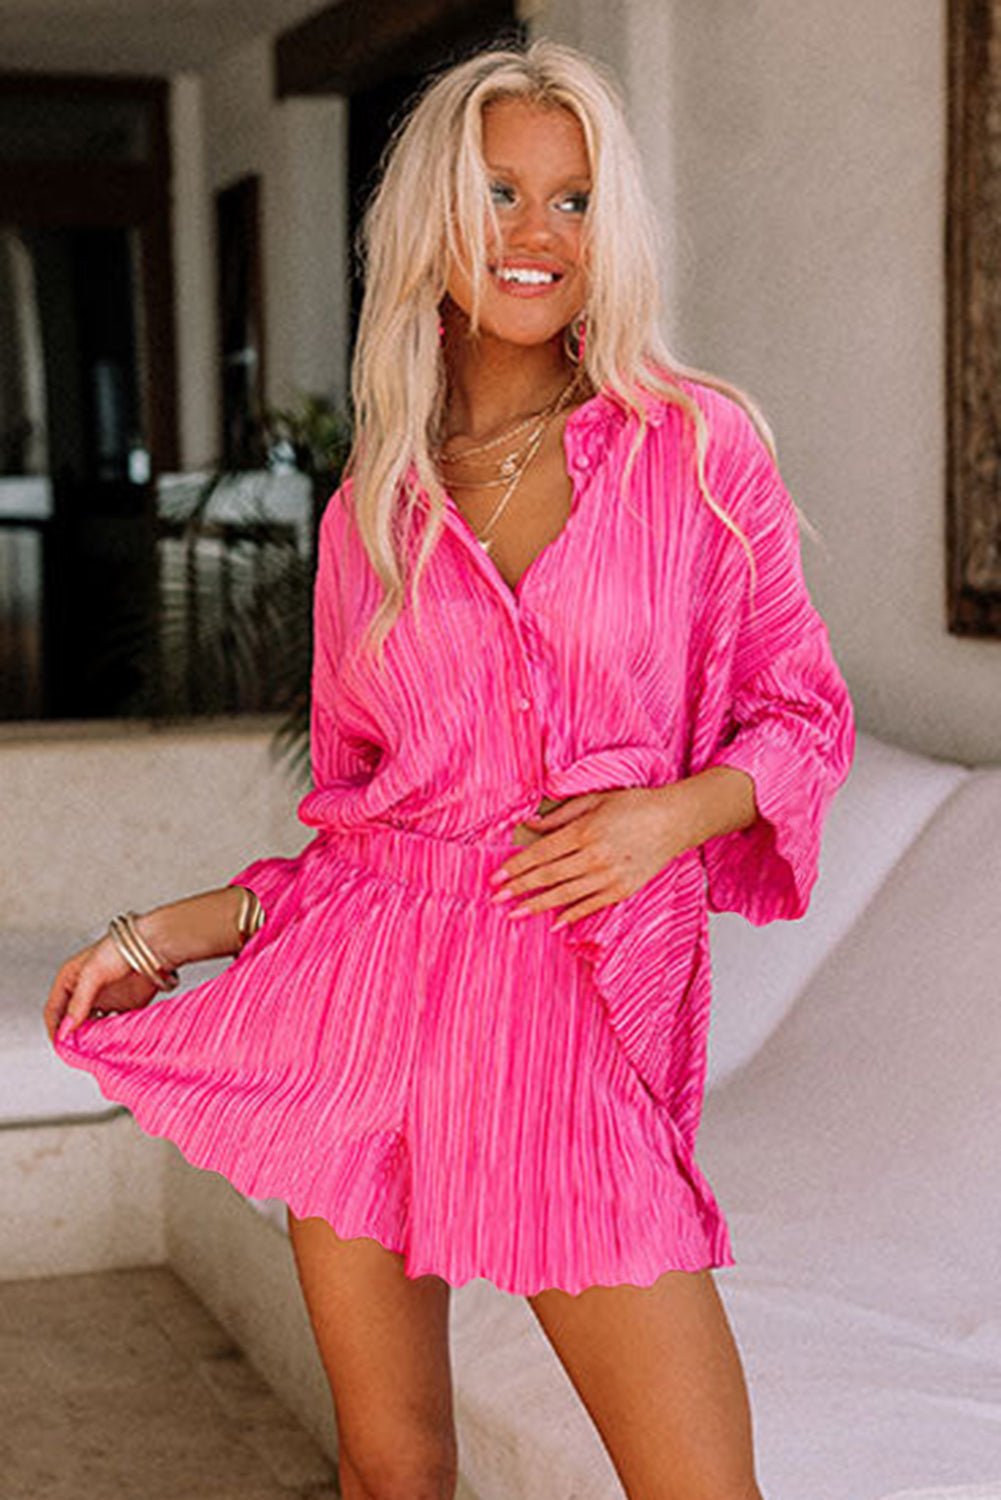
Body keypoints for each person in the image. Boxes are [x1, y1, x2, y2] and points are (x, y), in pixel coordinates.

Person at [44, 37, 855, 1500]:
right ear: (434, 216)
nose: (538, 234)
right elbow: (366, 835)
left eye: (574, 198)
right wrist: (164, 933)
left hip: (570, 1014)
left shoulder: (693, 449)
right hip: (367, 1008)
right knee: (392, 1468)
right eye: (499, 192)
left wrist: (664, 821)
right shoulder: (375, 507)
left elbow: (803, 718)